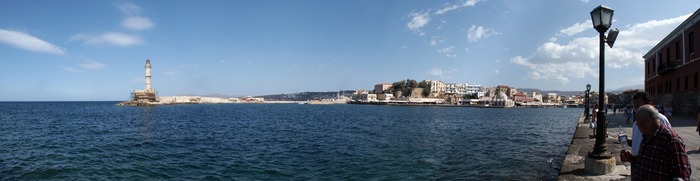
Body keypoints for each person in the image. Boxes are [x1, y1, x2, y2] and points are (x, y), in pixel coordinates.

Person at [620, 105, 691, 180]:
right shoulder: (646, 136)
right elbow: (648, 162)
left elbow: (682, 175)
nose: (637, 126)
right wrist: (632, 159)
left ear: (646, 121)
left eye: (638, 122)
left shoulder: (670, 140)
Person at [629, 92, 671, 157]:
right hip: (637, 163)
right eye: (635, 107)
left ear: (649, 104)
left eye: (639, 106)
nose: (637, 110)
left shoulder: (661, 119)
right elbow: (637, 142)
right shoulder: (636, 123)